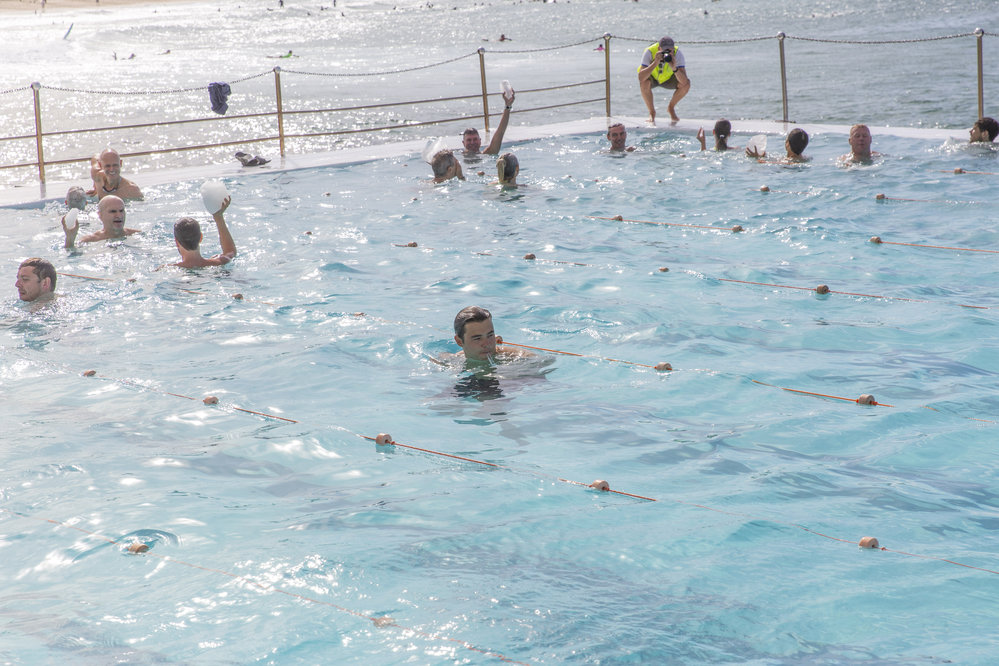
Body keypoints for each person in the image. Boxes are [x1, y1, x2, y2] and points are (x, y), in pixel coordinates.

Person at [172, 196, 236, 268]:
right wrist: (218, 217)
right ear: (201, 238)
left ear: (176, 242)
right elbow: (231, 252)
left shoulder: (168, 269)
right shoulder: (218, 263)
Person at [638, 36, 690, 124]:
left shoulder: (677, 54)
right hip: (653, 78)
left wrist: (674, 68)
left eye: (670, 50)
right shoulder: (650, 52)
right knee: (644, 83)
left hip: (668, 78)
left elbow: (684, 82)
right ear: (659, 48)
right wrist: (655, 62)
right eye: (665, 51)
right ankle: (652, 112)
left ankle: (671, 108)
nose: (668, 53)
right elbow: (641, 78)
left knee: (686, 84)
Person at [451, 305, 531, 363]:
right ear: (459, 341)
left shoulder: (518, 357)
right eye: (477, 338)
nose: (487, 344)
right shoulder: (453, 360)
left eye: (490, 335)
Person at [63, 194, 140, 248]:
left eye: (121, 210)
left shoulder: (137, 235)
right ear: (100, 215)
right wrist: (70, 239)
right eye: (113, 211)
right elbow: (72, 255)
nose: (119, 215)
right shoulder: (90, 240)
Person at [462, 88, 516, 157]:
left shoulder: (487, 154)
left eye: (475, 139)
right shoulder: (455, 159)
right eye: (469, 140)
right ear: (463, 143)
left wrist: (507, 106)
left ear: (480, 141)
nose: (472, 143)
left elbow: (500, 132)